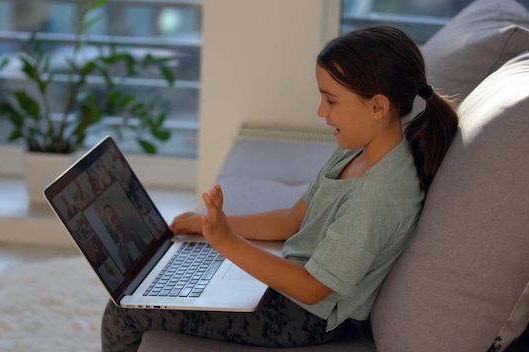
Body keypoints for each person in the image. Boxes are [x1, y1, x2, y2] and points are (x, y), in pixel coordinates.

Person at [100, 24, 458, 351]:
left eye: (331, 100)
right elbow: (291, 219)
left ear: (378, 106)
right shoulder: (356, 152)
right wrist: (209, 224)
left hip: (303, 319)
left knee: (125, 309)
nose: (321, 111)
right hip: (290, 293)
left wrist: (226, 243)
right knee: (155, 288)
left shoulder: (381, 194)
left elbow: (312, 288)